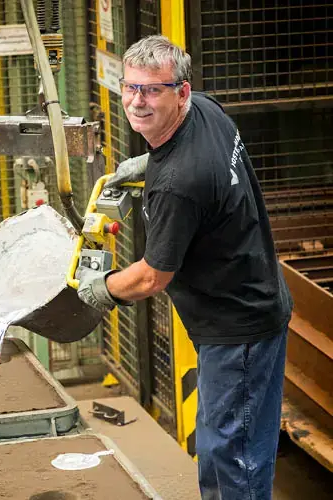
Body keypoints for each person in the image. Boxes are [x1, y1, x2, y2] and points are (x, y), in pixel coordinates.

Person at [77, 35, 293, 500]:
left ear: (182, 92)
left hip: (238, 327)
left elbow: (154, 276)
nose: (138, 101)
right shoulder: (206, 111)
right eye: (130, 88)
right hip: (254, 297)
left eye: (153, 90)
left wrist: (101, 289)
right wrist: (148, 164)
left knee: (230, 457)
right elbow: (185, 162)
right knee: (232, 444)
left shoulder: (179, 184)